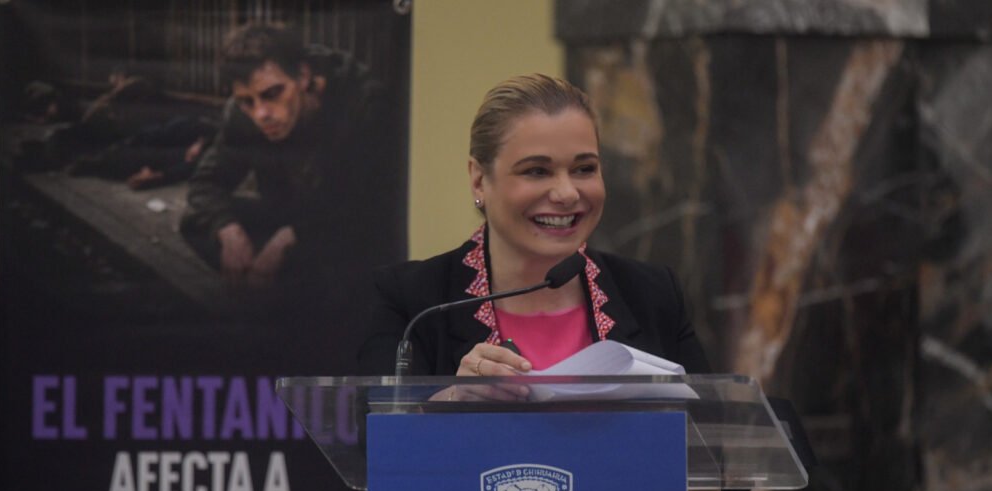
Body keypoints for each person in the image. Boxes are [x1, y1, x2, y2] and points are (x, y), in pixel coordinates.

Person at [358, 73, 709, 379]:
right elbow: (373, 426)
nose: (567, 193)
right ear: (479, 181)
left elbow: (707, 427)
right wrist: (450, 400)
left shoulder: (652, 295)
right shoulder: (413, 304)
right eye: (537, 171)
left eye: (584, 169)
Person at [181, 23, 396, 292]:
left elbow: (368, 207)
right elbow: (205, 183)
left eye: (272, 94)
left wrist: (288, 240)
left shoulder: (362, 103)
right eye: (247, 101)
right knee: (197, 222)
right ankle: (272, 284)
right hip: (288, 212)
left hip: (344, 223)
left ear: (303, 76)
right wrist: (229, 231)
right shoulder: (241, 113)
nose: (261, 114)